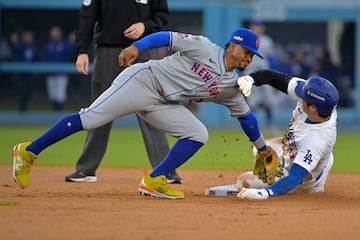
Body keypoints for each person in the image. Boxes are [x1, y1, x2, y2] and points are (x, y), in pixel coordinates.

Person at [13, 28, 278, 200]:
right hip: (144, 81)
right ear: (232, 45)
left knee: (198, 133)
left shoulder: (232, 87)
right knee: (92, 118)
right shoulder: (205, 47)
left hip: (163, 103)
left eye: (253, 56)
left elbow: (247, 117)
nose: (248, 58)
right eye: (246, 51)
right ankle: (29, 151)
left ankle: (154, 179)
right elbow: (167, 38)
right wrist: (137, 47)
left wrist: (263, 149)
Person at [65, 0, 184, 184]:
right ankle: (86, 169)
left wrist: (144, 25)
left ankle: (165, 170)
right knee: (98, 111)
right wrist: (82, 50)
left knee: (153, 110)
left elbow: (162, 15)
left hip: (142, 50)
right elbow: (87, 16)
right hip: (107, 52)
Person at [235, 69, 339, 200]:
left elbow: (294, 177)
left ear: (313, 107)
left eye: (305, 97)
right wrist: (251, 79)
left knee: (242, 181)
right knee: (258, 148)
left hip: (303, 178)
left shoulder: (316, 141)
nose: (301, 95)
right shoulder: (322, 105)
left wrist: (265, 193)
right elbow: (271, 77)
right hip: (297, 147)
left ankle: (308, 187)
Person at [242, 19, 278, 132]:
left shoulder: (267, 41)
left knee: (269, 100)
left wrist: (275, 74)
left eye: (260, 26)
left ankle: (270, 125)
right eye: (255, 25)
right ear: (251, 27)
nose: (258, 28)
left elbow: (271, 59)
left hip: (265, 71)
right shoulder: (246, 39)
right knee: (252, 101)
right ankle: (252, 127)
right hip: (250, 71)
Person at [43, 26, 76, 111]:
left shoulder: (64, 44)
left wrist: (73, 42)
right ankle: (55, 112)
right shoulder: (48, 45)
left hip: (62, 74)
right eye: (53, 32)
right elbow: (45, 59)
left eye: (56, 32)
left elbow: (72, 50)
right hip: (51, 74)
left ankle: (58, 113)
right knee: (52, 95)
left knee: (60, 95)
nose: (55, 34)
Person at [9, 30, 39, 112]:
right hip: (21, 75)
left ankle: (24, 112)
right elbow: (13, 50)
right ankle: (21, 113)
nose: (28, 38)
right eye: (26, 36)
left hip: (30, 75)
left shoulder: (34, 47)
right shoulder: (19, 46)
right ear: (23, 38)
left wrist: (34, 72)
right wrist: (13, 43)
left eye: (30, 37)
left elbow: (36, 60)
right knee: (21, 94)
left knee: (28, 96)